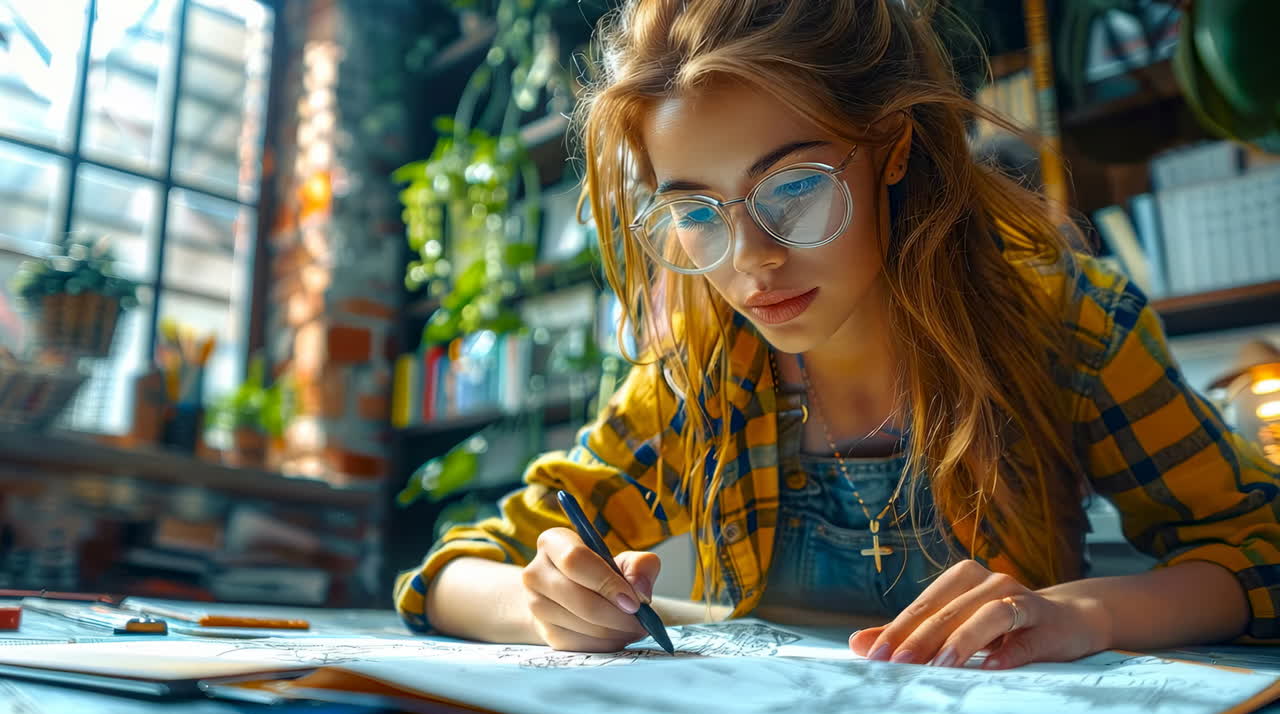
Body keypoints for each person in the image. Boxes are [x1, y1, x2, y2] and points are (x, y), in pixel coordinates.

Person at [396, 0, 1280, 670]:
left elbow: (1261, 548)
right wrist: (545, 601)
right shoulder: (702, 373)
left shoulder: (1067, 324)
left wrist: (1086, 614)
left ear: (891, 146)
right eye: (696, 213)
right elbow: (450, 574)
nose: (753, 260)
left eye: (794, 189)